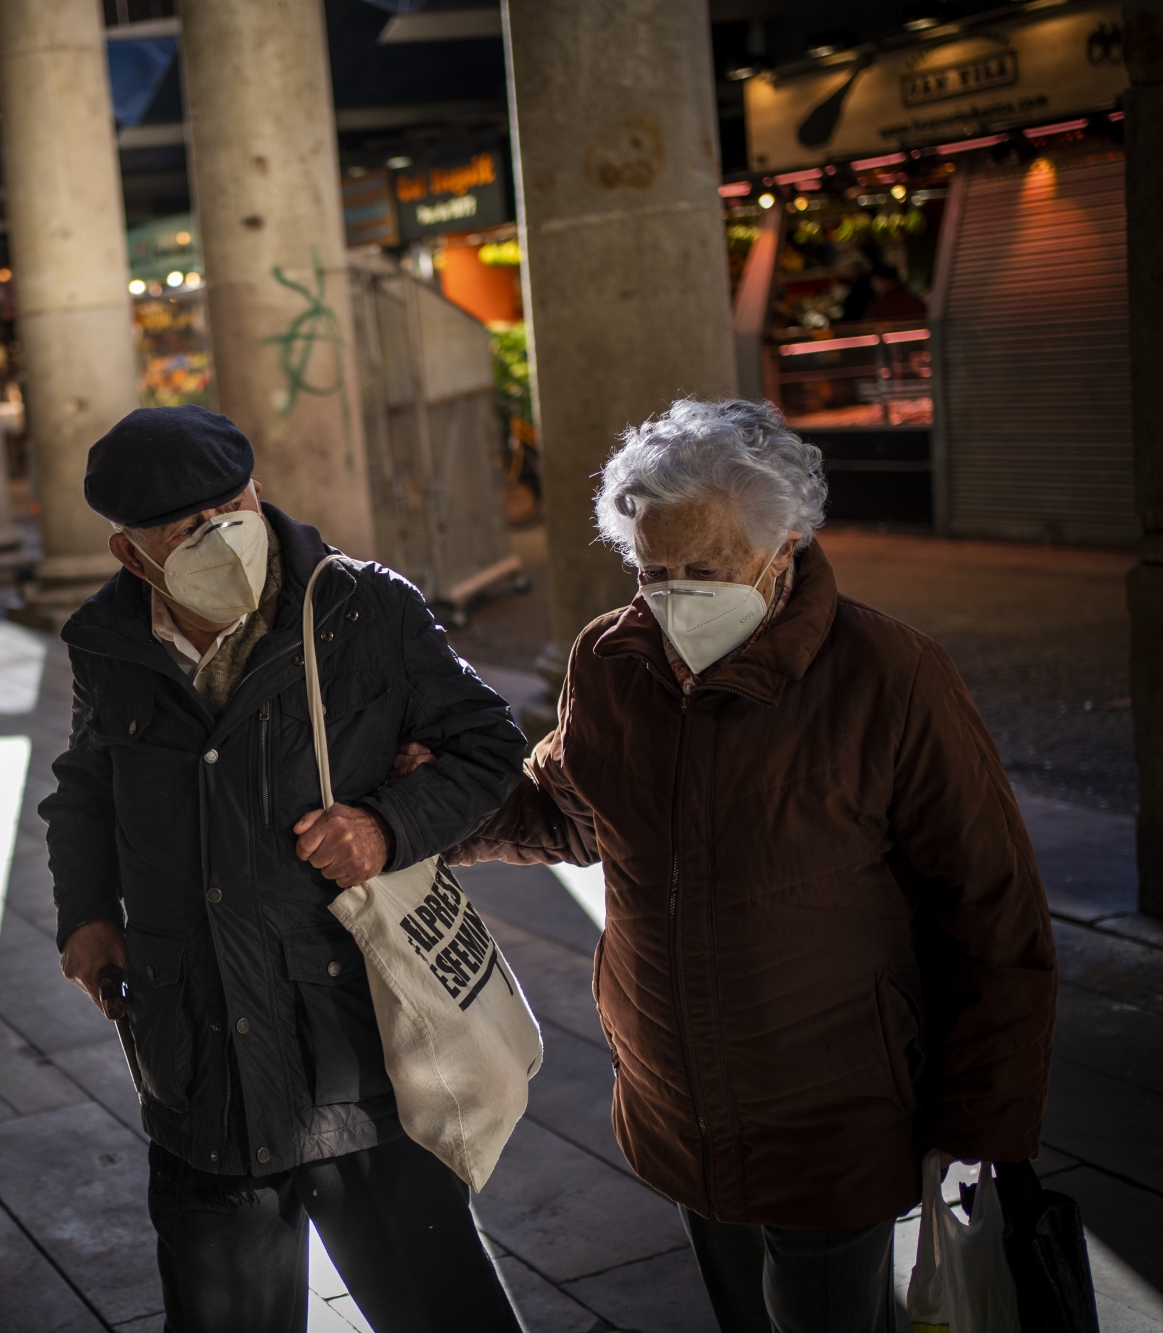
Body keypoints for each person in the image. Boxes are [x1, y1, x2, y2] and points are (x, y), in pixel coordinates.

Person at [446, 398, 1055, 1332]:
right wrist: (426, 816)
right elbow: (569, 811)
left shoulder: (889, 676)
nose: (675, 594)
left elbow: (990, 912)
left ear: (786, 547)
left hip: (831, 1110)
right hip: (674, 1096)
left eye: (707, 568)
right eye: (654, 572)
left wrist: (980, 1125)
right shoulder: (612, 662)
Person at [41, 406, 528, 1333]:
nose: (219, 537)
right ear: (129, 550)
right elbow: (85, 791)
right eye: (185, 528)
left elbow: (487, 745)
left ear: (257, 492)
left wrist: (387, 827)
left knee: (441, 1307)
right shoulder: (105, 644)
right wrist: (83, 911)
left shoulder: (361, 607)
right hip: (199, 1057)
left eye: (230, 505)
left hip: (357, 1048)